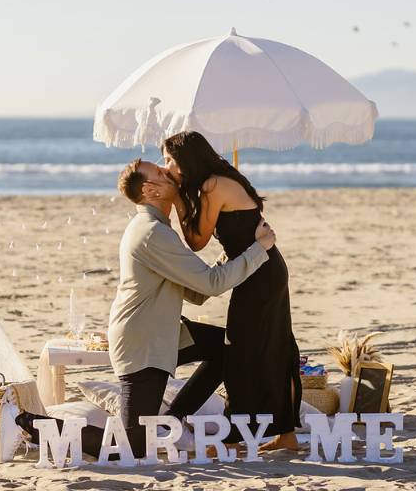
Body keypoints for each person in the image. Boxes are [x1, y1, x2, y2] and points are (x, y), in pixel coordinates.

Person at [15, 158, 277, 459]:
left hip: (163, 333)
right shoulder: (152, 232)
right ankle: (29, 424)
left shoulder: (156, 228)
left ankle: (170, 422)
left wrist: (233, 255)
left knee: (226, 350)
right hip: (142, 342)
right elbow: (212, 285)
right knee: (132, 446)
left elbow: (196, 291)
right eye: (162, 173)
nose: (171, 174)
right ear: (151, 189)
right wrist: (258, 251)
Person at [157, 130, 302, 452]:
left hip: (260, 275)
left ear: (185, 159)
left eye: (168, 159)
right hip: (262, 270)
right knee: (272, 348)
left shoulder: (212, 186)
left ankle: (236, 437)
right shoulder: (217, 179)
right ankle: (286, 435)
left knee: (242, 351)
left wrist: (178, 198)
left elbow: (196, 241)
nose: (165, 166)